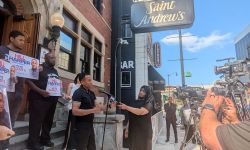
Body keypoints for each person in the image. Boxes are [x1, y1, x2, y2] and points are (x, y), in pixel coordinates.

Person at [26, 52, 60, 150]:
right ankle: (32, 143)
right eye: (51, 57)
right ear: (45, 58)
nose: (54, 59)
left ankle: (45, 139)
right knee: (36, 121)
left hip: (52, 100)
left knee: (48, 121)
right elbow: (28, 81)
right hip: (38, 99)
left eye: (55, 58)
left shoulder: (55, 71)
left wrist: (60, 92)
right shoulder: (39, 67)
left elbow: (56, 84)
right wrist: (40, 91)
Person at [0, 30, 25, 149]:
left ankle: (5, 145)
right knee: (1, 119)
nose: (23, 42)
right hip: (3, 92)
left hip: (18, 93)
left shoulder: (22, 56)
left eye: (24, 40)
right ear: (11, 39)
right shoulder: (1, 50)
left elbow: (27, 74)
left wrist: (36, 71)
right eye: (20, 39)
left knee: (11, 121)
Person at [68, 72, 103, 150]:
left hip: (90, 124)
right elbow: (75, 111)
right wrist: (93, 110)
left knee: (92, 147)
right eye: (89, 80)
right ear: (82, 82)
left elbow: (98, 107)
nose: (91, 82)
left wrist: (108, 105)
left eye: (91, 80)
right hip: (81, 125)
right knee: (81, 147)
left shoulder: (91, 93)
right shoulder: (78, 93)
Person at [117, 85, 154, 150]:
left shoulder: (149, 103)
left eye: (143, 91)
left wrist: (126, 107)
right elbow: (131, 116)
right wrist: (127, 129)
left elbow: (140, 112)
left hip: (144, 133)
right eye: (140, 90)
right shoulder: (134, 102)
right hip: (133, 131)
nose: (141, 92)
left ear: (147, 93)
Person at [62, 73, 81, 149]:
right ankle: (67, 146)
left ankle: (76, 145)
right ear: (76, 78)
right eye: (79, 78)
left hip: (81, 110)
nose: (80, 80)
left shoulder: (84, 88)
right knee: (71, 127)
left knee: (78, 127)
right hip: (72, 108)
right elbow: (67, 96)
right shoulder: (72, 85)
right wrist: (68, 97)